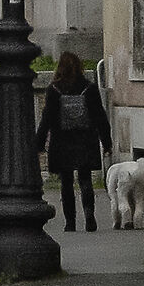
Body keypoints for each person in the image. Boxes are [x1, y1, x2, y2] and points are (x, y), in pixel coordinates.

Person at [35, 50, 113, 231]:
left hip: (62, 141)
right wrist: (106, 142)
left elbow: (46, 118)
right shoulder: (89, 88)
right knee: (85, 179)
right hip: (85, 139)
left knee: (66, 182)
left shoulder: (54, 90)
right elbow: (100, 117)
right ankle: (89, 215)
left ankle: (70, 222)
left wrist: (39, 143)